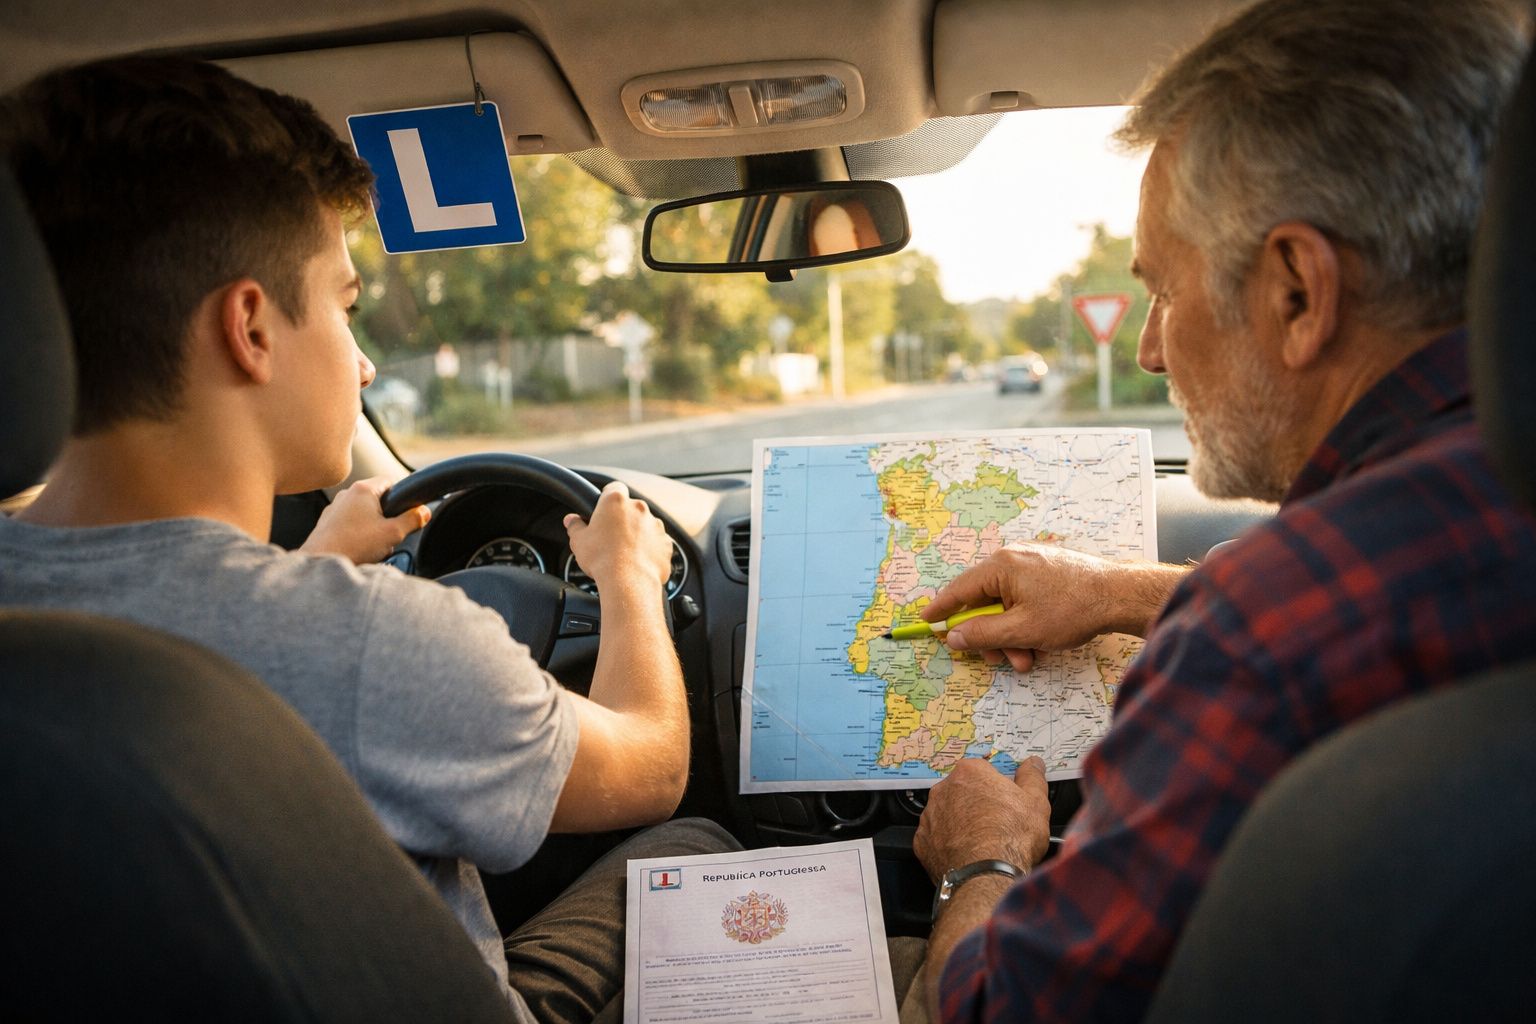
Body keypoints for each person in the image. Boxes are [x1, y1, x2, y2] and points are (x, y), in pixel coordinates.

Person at [0, 56, 736, 1023]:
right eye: (346, 308)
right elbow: (651, 767)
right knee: (696, 846)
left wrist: (309, 567)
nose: (365, 359)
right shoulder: (373, 643)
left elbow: (198, 633)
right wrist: (629, 576)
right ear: (251, 328)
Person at [909, 1, 1536, 1021]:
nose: (1151, 349)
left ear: (1297, 291)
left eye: (1160, 287)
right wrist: (1116, 591)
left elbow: (996, 1009)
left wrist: (981, 857)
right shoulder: (1472, 513)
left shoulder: (1258, 643)